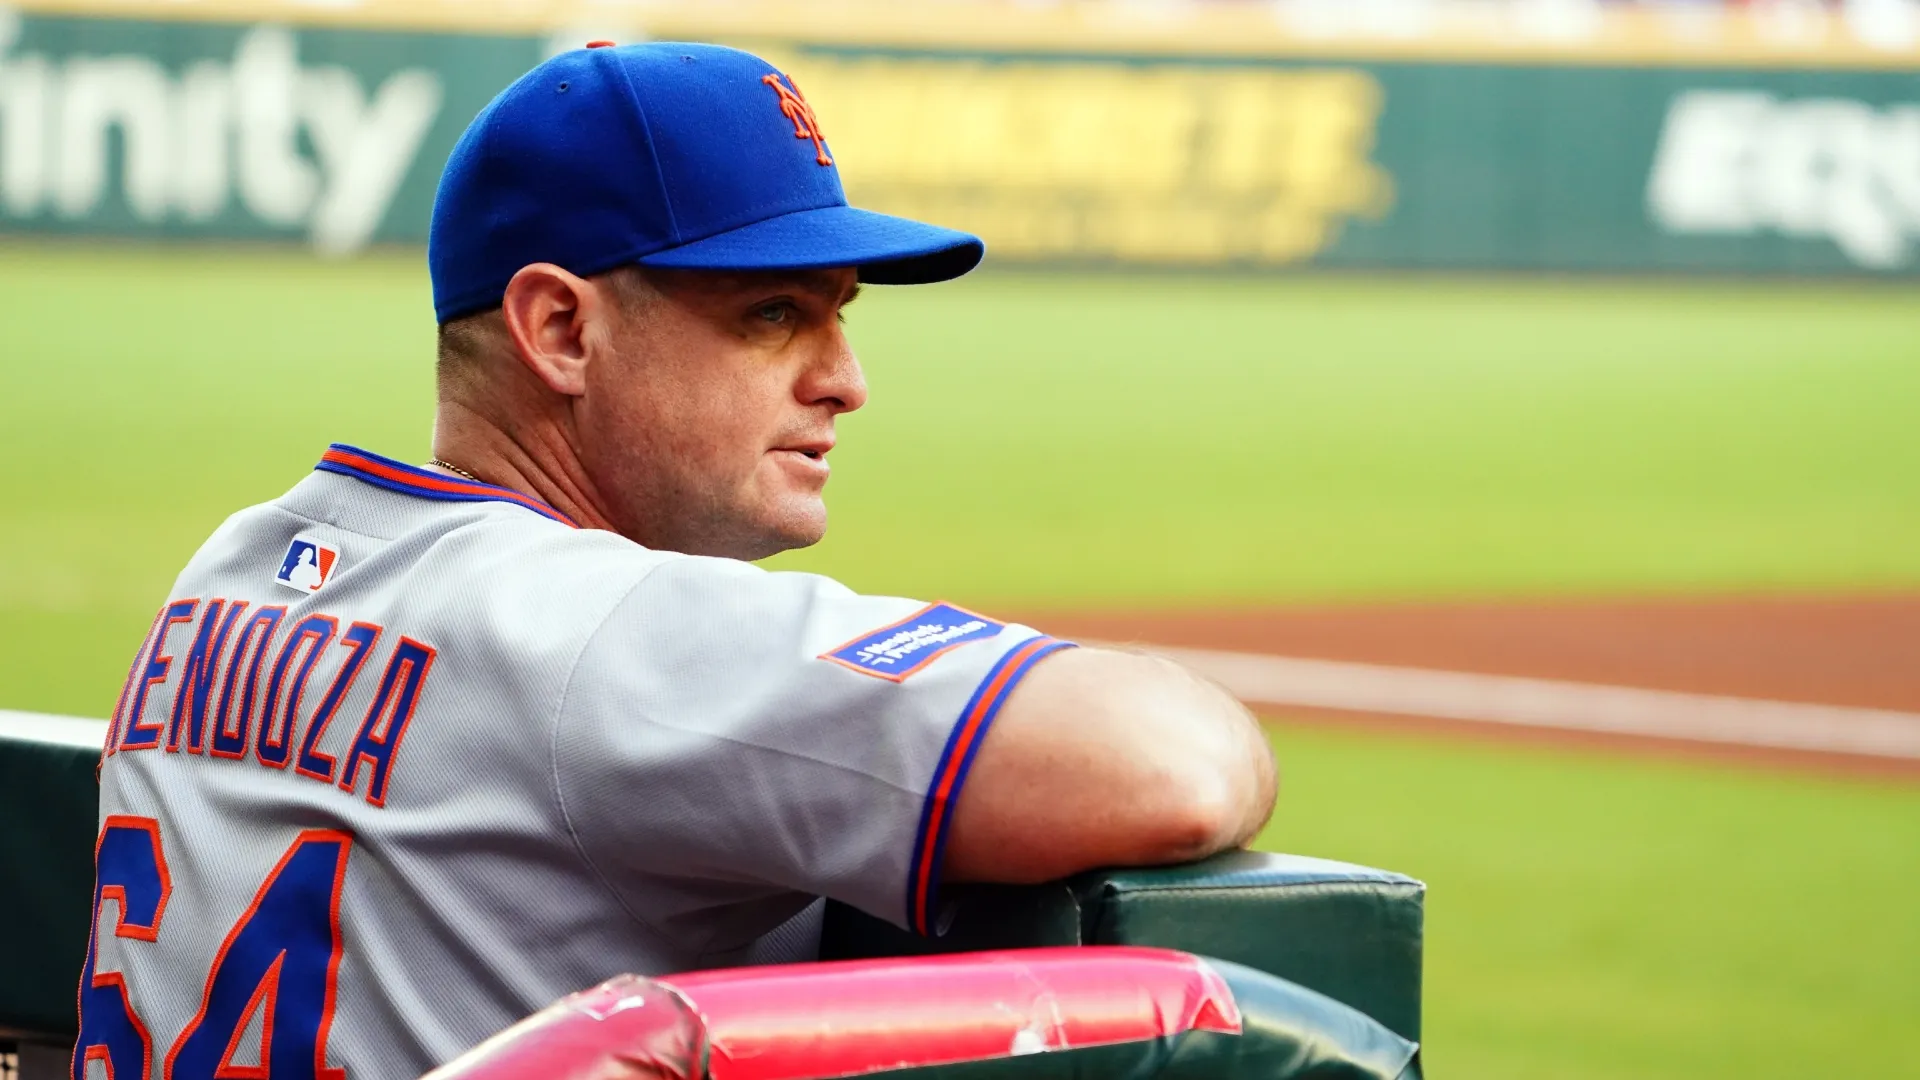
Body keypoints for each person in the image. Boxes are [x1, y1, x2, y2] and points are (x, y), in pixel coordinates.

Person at [80, 42, 1275, 1080]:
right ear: (562, 330)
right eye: (773, 315)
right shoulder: (597, 633)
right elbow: (1167, 771)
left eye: (844, 313)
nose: (844, 380)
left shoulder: (232, 571)